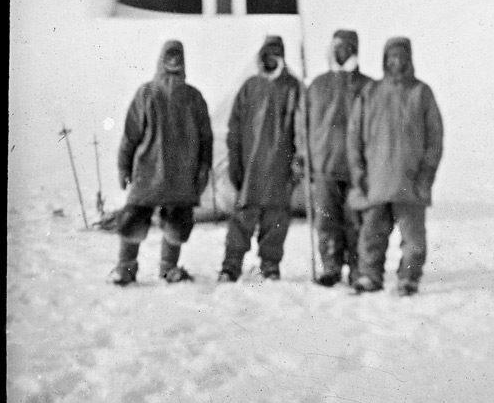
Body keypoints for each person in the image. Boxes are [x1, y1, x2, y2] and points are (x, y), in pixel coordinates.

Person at [110, 39, 213, 285]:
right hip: (148, 171)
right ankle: (125, 267)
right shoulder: (146, 93)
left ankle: (169, 268)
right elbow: (130, 135)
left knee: (178, 223)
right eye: (169, 55)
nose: (174, 60)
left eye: (178, 56)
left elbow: (205, 140)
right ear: (161, 59)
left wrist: (203, 170)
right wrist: (124, 166)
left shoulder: (193, 97)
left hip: (181, 175)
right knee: (133, 219)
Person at [347, 37, 444, 296]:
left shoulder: (421, 93)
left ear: (409, 59)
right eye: (392, 56)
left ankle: (409, 278)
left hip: (410, 183)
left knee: (413, 239)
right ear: (384, 59)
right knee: (371, 236)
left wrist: (426, 176)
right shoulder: (370, 92)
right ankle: (370, 276)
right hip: (375, 181)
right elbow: (354, 136)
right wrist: (359, 174)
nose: (396, 62)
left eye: (402, 56)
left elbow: (435, 139)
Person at [218, 35, 301, 282]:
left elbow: (302, 127)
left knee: (276, 220)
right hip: (250, 167)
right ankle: (231, 265)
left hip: (279, 167)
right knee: (242, 219)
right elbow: (234, 129)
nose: (271, 58)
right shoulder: (249, 87)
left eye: (276, 54)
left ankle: (270, 264)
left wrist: (300, 160)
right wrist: (235, 162)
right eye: (267, 54)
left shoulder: (293, 88)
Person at [299, 29, 372, 287]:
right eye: (338, 48)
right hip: (324, 166)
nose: (343, 53)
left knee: (355, 223)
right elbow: (303, 125)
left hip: (356, 169)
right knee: (326, 222)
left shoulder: (367, 86)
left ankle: (355, 268)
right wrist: (302, 155)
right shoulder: (316, 86)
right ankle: (330, 267)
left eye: (348, 48)